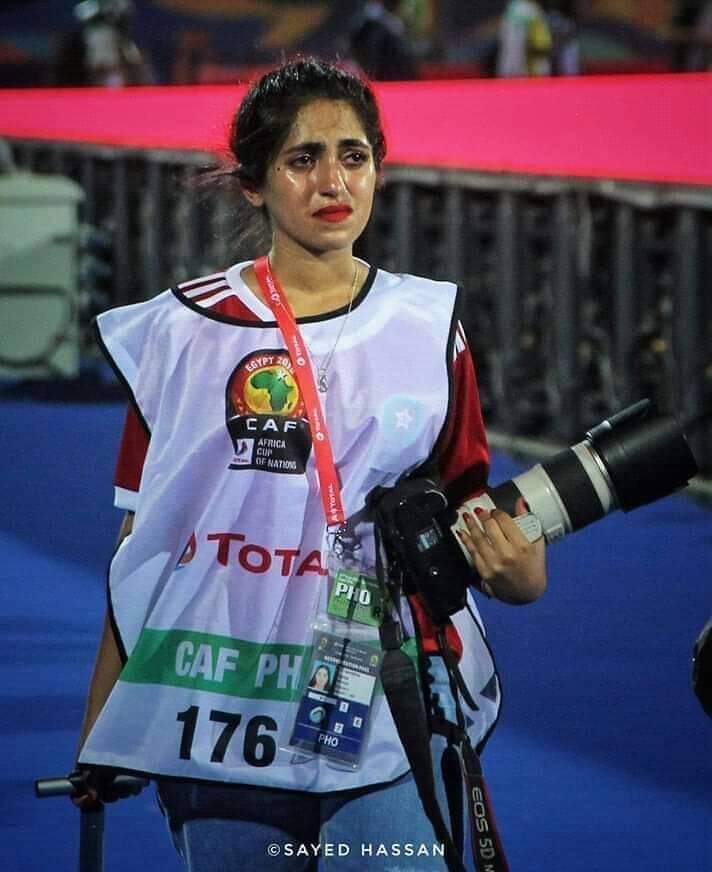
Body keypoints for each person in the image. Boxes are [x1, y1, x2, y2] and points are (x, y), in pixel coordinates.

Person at [74, 58, 546, 870]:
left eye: (353, 156)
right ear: (254, 184)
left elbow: (472, 499)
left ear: (378, 170)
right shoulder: (182, 332)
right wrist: (106, 719)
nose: (333, 181)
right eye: (303, 159)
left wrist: (522, 570)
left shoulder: (428, 325)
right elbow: (142, 542)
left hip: (385, 695)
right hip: (215, 707)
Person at [496, 0, 553, 77]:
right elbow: (514, 47)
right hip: (525, 70)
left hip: (535, 64)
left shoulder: (531, 7)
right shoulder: (522, 9)